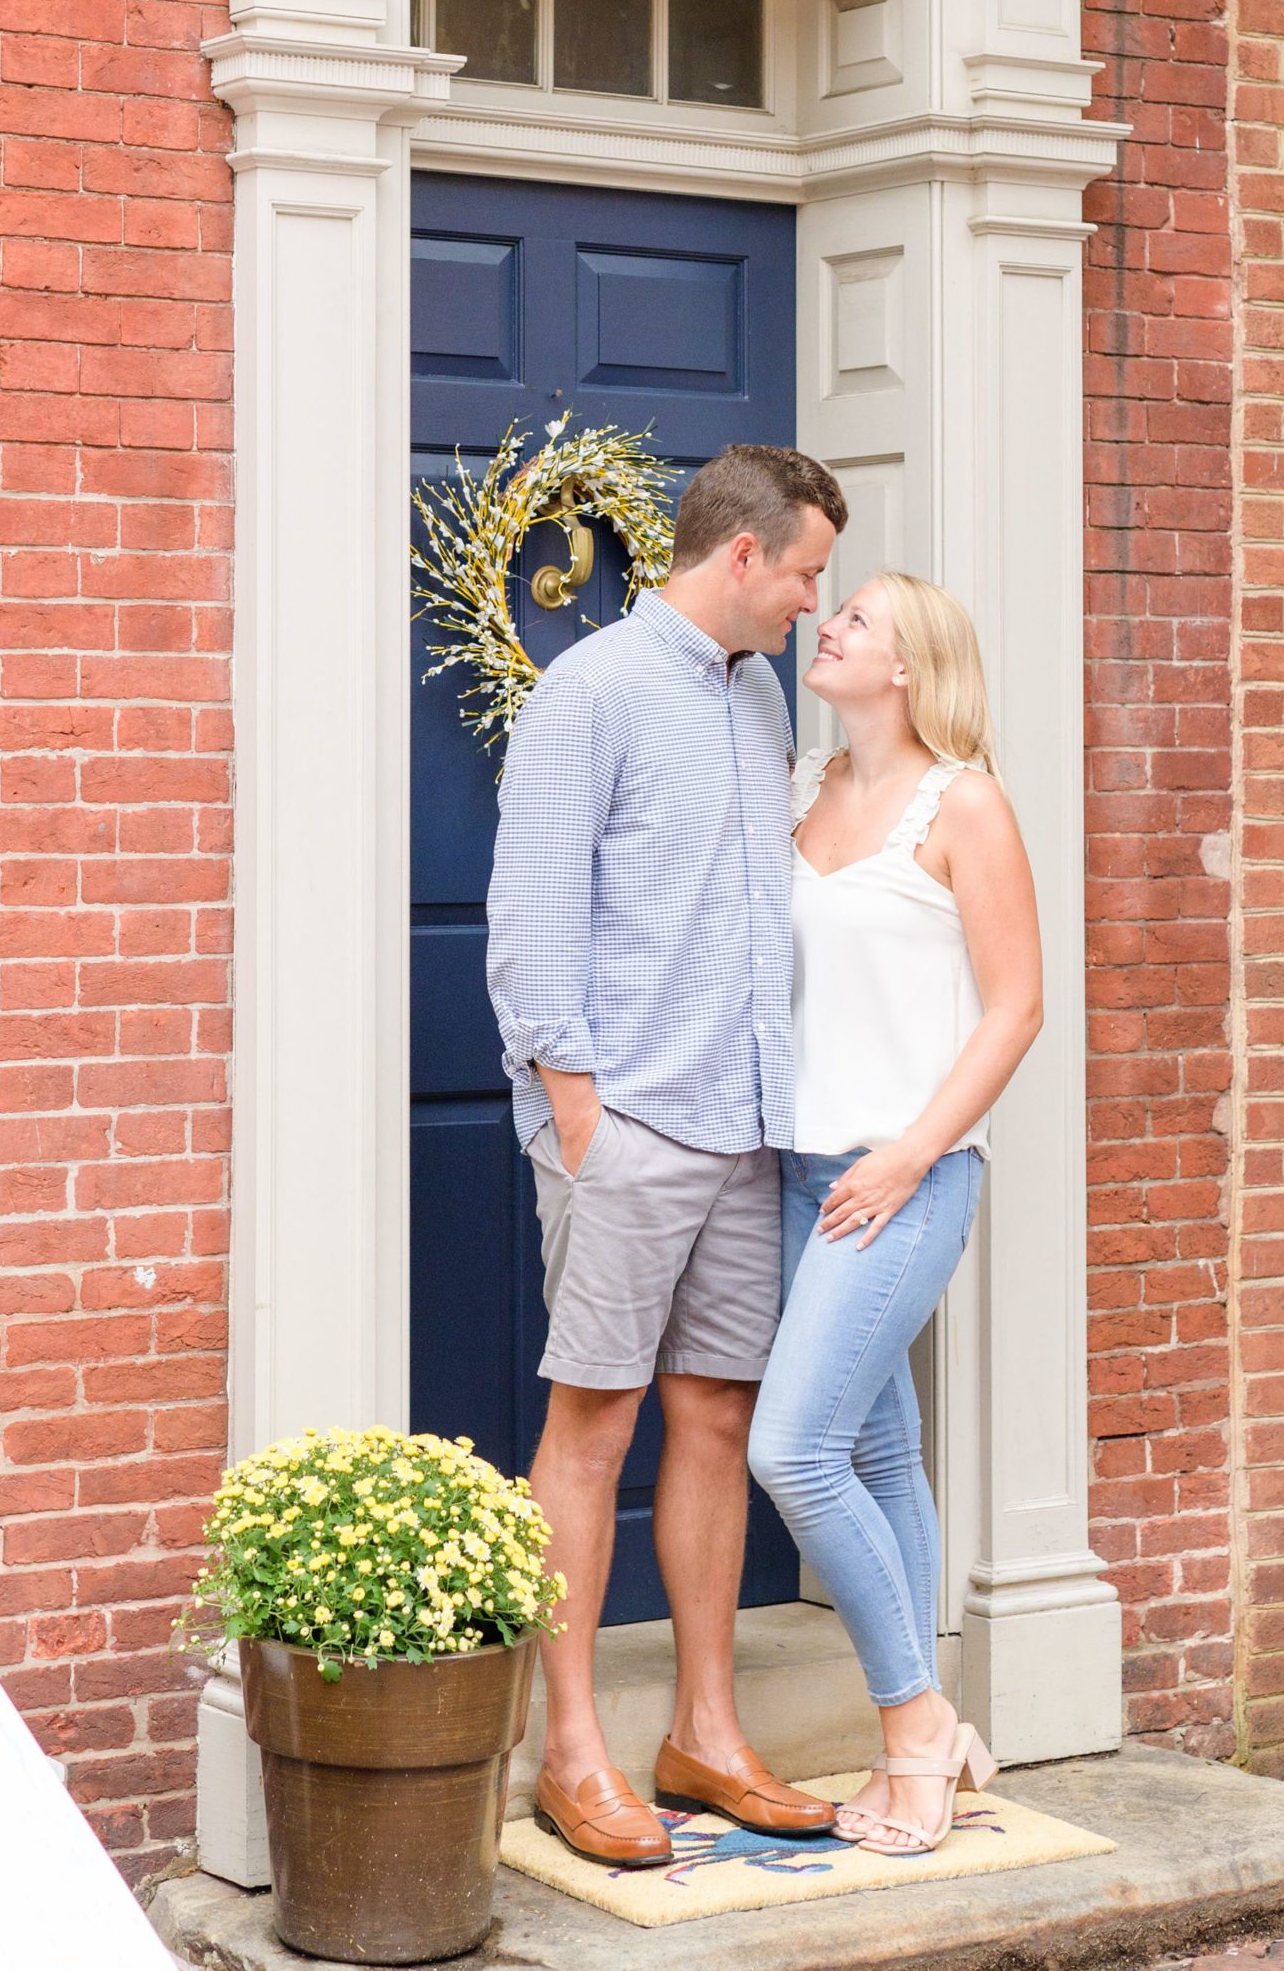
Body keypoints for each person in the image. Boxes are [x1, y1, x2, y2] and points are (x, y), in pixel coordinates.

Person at [486, 443, 848, 1869]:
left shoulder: (755, 697)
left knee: (713, 1419)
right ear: (744, 555)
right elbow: (528, 919)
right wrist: (582, 1117)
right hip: (628, 1122)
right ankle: (567, 1750)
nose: (814, 604)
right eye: (806, 571)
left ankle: (704, 1732)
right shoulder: (592, 692)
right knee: (594, 1426)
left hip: (744, 1122)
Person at [747, 572, 1043, 1856]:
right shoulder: (803, 784)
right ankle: (921, 1739)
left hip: (902, 1177)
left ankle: (917, 1727)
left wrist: (912, 1152)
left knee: (791, 1450)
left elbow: (1014, 1005)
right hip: (794, 1170)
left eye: (856, 617)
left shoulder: (961, 802)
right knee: (875, 1457)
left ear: (912, 664)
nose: (830, 625)